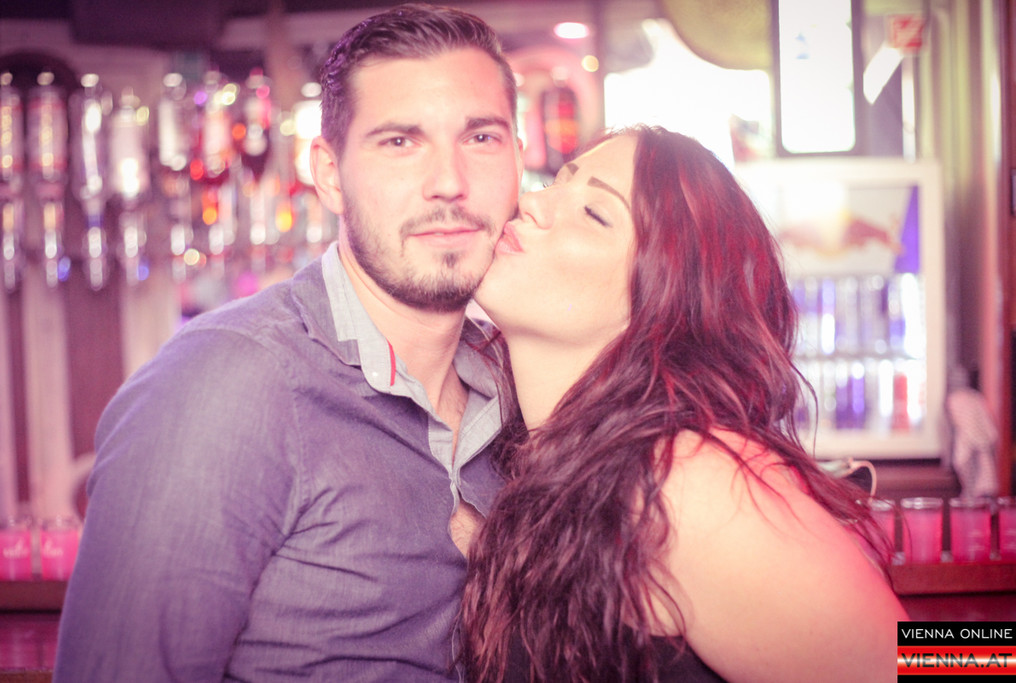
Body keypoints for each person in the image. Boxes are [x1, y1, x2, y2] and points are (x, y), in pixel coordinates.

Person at [54, 4, 524, 681]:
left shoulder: (519, 385)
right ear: (330, 175)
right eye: (400, 141)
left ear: (518, 156)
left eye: (481, 137)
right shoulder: (228, 384)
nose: (449, 182)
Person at [458, 126, 907, 683]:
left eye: (595, 213)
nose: (532, 203)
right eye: (556, 182)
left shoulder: (683, 480)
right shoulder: (547, 466)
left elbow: (949, 661)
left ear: (665, 298)